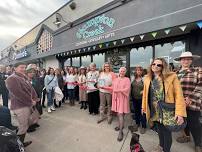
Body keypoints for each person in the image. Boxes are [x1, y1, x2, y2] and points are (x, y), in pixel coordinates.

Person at [142, 58, 186, 152]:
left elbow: (179, 95)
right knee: (159, 131)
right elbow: (145, 95)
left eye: (159, 65)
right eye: (154, 64)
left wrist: (180, 113)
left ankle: (166, 150)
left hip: (167, 110)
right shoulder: (148, 78)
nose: (155, 66)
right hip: (154, 110)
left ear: (163, 67)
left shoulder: (172, 77)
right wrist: (144, 107)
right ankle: (161, 147)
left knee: (166, 132)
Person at [6, 62, 39, 147]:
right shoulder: (12, 78)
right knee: (23, 127)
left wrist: (35, 98)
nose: (24, 69)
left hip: (25, 105)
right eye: (21, 67)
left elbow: (31, 89)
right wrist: (31, 102)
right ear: (15, 68)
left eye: (25, 67)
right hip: (20, 107)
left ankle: (19, 144)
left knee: (23, 126)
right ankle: (18, 146)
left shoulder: (23, 77)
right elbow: (19, 94)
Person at [174, 52, 202, 152]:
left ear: (191, 60)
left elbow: (200, 86)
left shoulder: (198, 70)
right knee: (183, 122)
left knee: (194, 123)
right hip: (179, 103)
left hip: (193, 102)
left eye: (188, 59)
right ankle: (186, 137)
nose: (185, 61)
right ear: (180, 61)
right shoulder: (176, 73)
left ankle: (198, 143)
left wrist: (190, 98)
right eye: (183, 59)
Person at [103, 67, 131, 141]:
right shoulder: (115, 79)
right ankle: (120, 125)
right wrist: (103, 87)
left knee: (120, 114)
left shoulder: (127, 79)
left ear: (125, 72)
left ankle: (121, 131)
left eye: (123, 71)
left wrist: (118, 90)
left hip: (123, 99)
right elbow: (112, 87)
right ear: (119, 72)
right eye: (121, 71)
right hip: (117, 99)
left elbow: (127, 89)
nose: (122, 72)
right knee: (120, 114)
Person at [130, 66, 146, 134]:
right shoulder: (133, 78)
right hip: (134, 98)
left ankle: (143, 126)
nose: (138, 71)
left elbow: (148, 88)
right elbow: (130, 86)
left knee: (143, 112)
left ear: (142, 71)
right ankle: (137, 123)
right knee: (136, 111)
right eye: (137, 70)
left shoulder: (144, 78)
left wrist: (144, 91)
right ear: (135, 71)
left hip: (142, 99)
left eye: (140, 70)